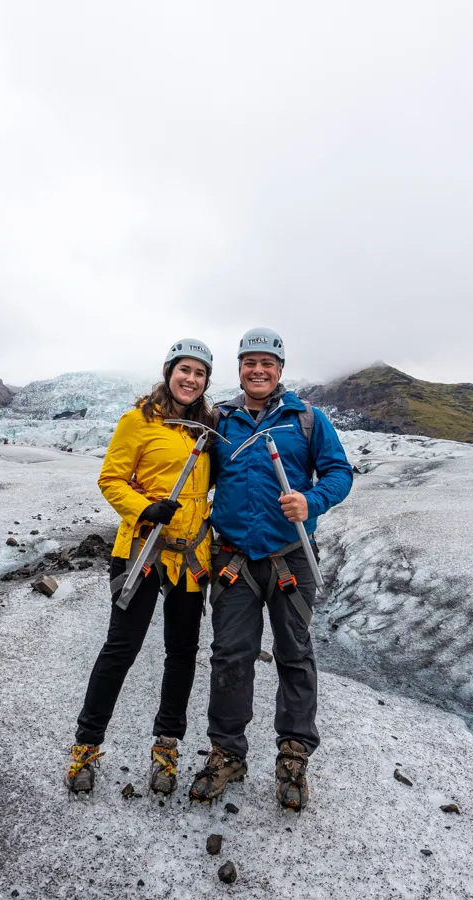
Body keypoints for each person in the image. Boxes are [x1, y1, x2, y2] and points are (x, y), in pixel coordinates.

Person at [188, 327, 353, 811]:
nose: (258, 370)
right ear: (239, 369)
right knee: (229, 656)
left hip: (291, 556)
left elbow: (339, 472)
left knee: (294, 653)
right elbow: (195, 474)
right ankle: (227, 753)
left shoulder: (306, 420)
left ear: (280, 369)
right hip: (234, 557)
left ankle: (294, 754)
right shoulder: (220, 421)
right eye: (249, 362)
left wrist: (312, 499)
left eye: (267, 363)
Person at [67, 338, 217, 796]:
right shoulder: (139, 421)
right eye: (184, 370)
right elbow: (110, 477)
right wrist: (142, 508)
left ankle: (166, 748)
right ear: (169, 371)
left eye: (199, 373)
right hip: (142, 549)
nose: (190, 379)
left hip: (191, 555)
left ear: (207, 380)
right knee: (121, 649)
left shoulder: (208, 427)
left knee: (182, 653)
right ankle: (86, 748)